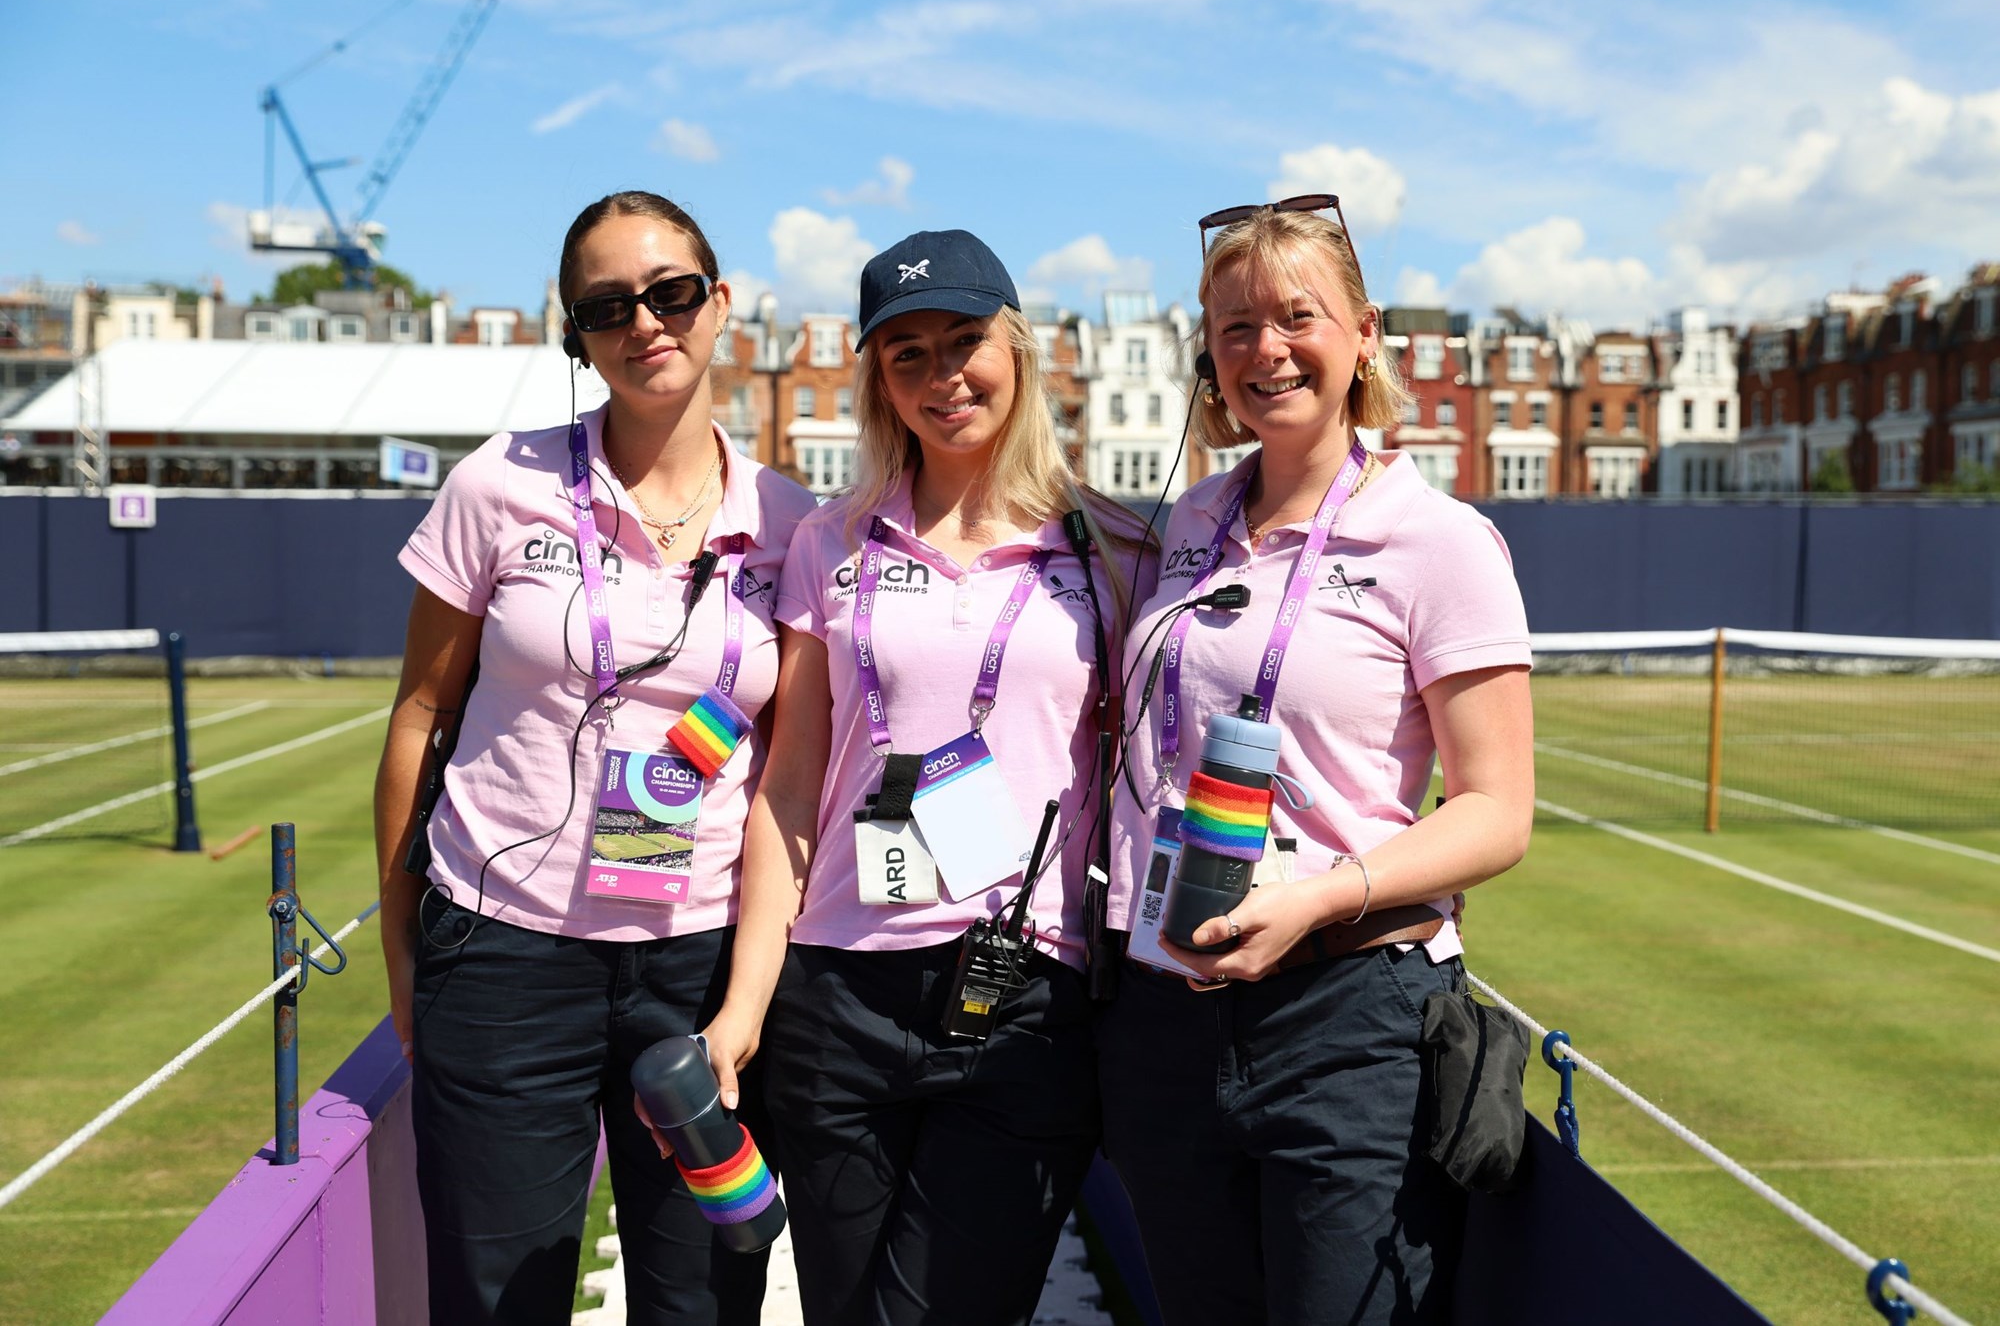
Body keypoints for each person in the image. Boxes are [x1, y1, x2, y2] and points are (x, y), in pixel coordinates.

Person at [373, 190, 817, 1326]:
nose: (645, 323)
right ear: (573, 331)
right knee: (493, 1299)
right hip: (504, 952)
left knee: (702, 1298)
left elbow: (787, 785)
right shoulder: (496, 485)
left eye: (670, 293)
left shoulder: (792, 522)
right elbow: (420, 711)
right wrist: (406, 952)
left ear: (719, 304)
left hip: (696, 968)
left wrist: (746, 1003)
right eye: (607, 305)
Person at [699, 229, 1151, 1326]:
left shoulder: (1116, 550)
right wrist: (743, 1007)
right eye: (906, 354)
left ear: (1018, 348)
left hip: (1023, 1003)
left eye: (963, 342)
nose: (942, 375)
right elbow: (791, 785)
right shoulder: (828, 543)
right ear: (877, 381)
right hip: (837, 1000)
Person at [1096, 196, 1535, 1324]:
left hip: (1347, 1014)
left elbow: (1495, 811)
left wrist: (1325, 894)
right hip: (1164, 1007)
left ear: (1362, 334)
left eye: (1296, 316)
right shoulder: (1185, 521)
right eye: (1233, 324)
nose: (1263, 350)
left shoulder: (1437, 540)